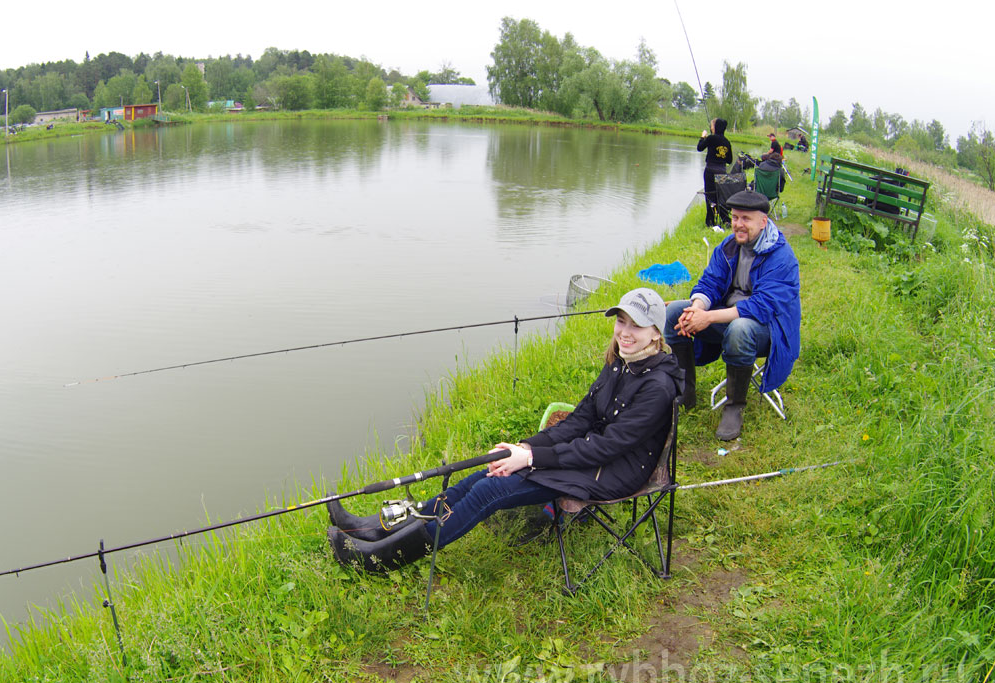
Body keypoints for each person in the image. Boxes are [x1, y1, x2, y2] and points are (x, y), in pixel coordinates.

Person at [327, 288, 684, 573]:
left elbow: (607, 447)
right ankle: (372, 528)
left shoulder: (658, 387)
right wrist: (521, 447)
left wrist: (530, 458)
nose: (624, 332)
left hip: (615, 472)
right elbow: (579, 421)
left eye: (635, 325)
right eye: (620, 321)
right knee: (481, 475)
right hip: (588, 456)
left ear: (655, 332)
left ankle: (381, 559)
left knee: (488, 491)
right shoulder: (620, 364)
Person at [664, 190, 800, 441]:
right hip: (729, 316)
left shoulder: (781, 257)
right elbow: (710, 283)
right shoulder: (727, 246)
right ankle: (685, 392)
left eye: (746, 219)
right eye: (735, 218)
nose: (738, 224)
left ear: (763, 221)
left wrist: (709, 319)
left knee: (740, 329)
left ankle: (734, 406)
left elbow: (762, 307)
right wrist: (696, 308)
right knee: (674, 312)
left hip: (769, 330)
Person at [698, 118, 733, 227]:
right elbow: (729, 160)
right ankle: (726, 219)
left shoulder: (711, 138)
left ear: (716, 127)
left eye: (712, 125)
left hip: (710, 171)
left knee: (709, 195)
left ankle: (710, 221)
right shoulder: (727, 142)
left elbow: (699, 148)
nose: (711, 127)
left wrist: (703, 136)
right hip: (722, 173)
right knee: (720, 196)